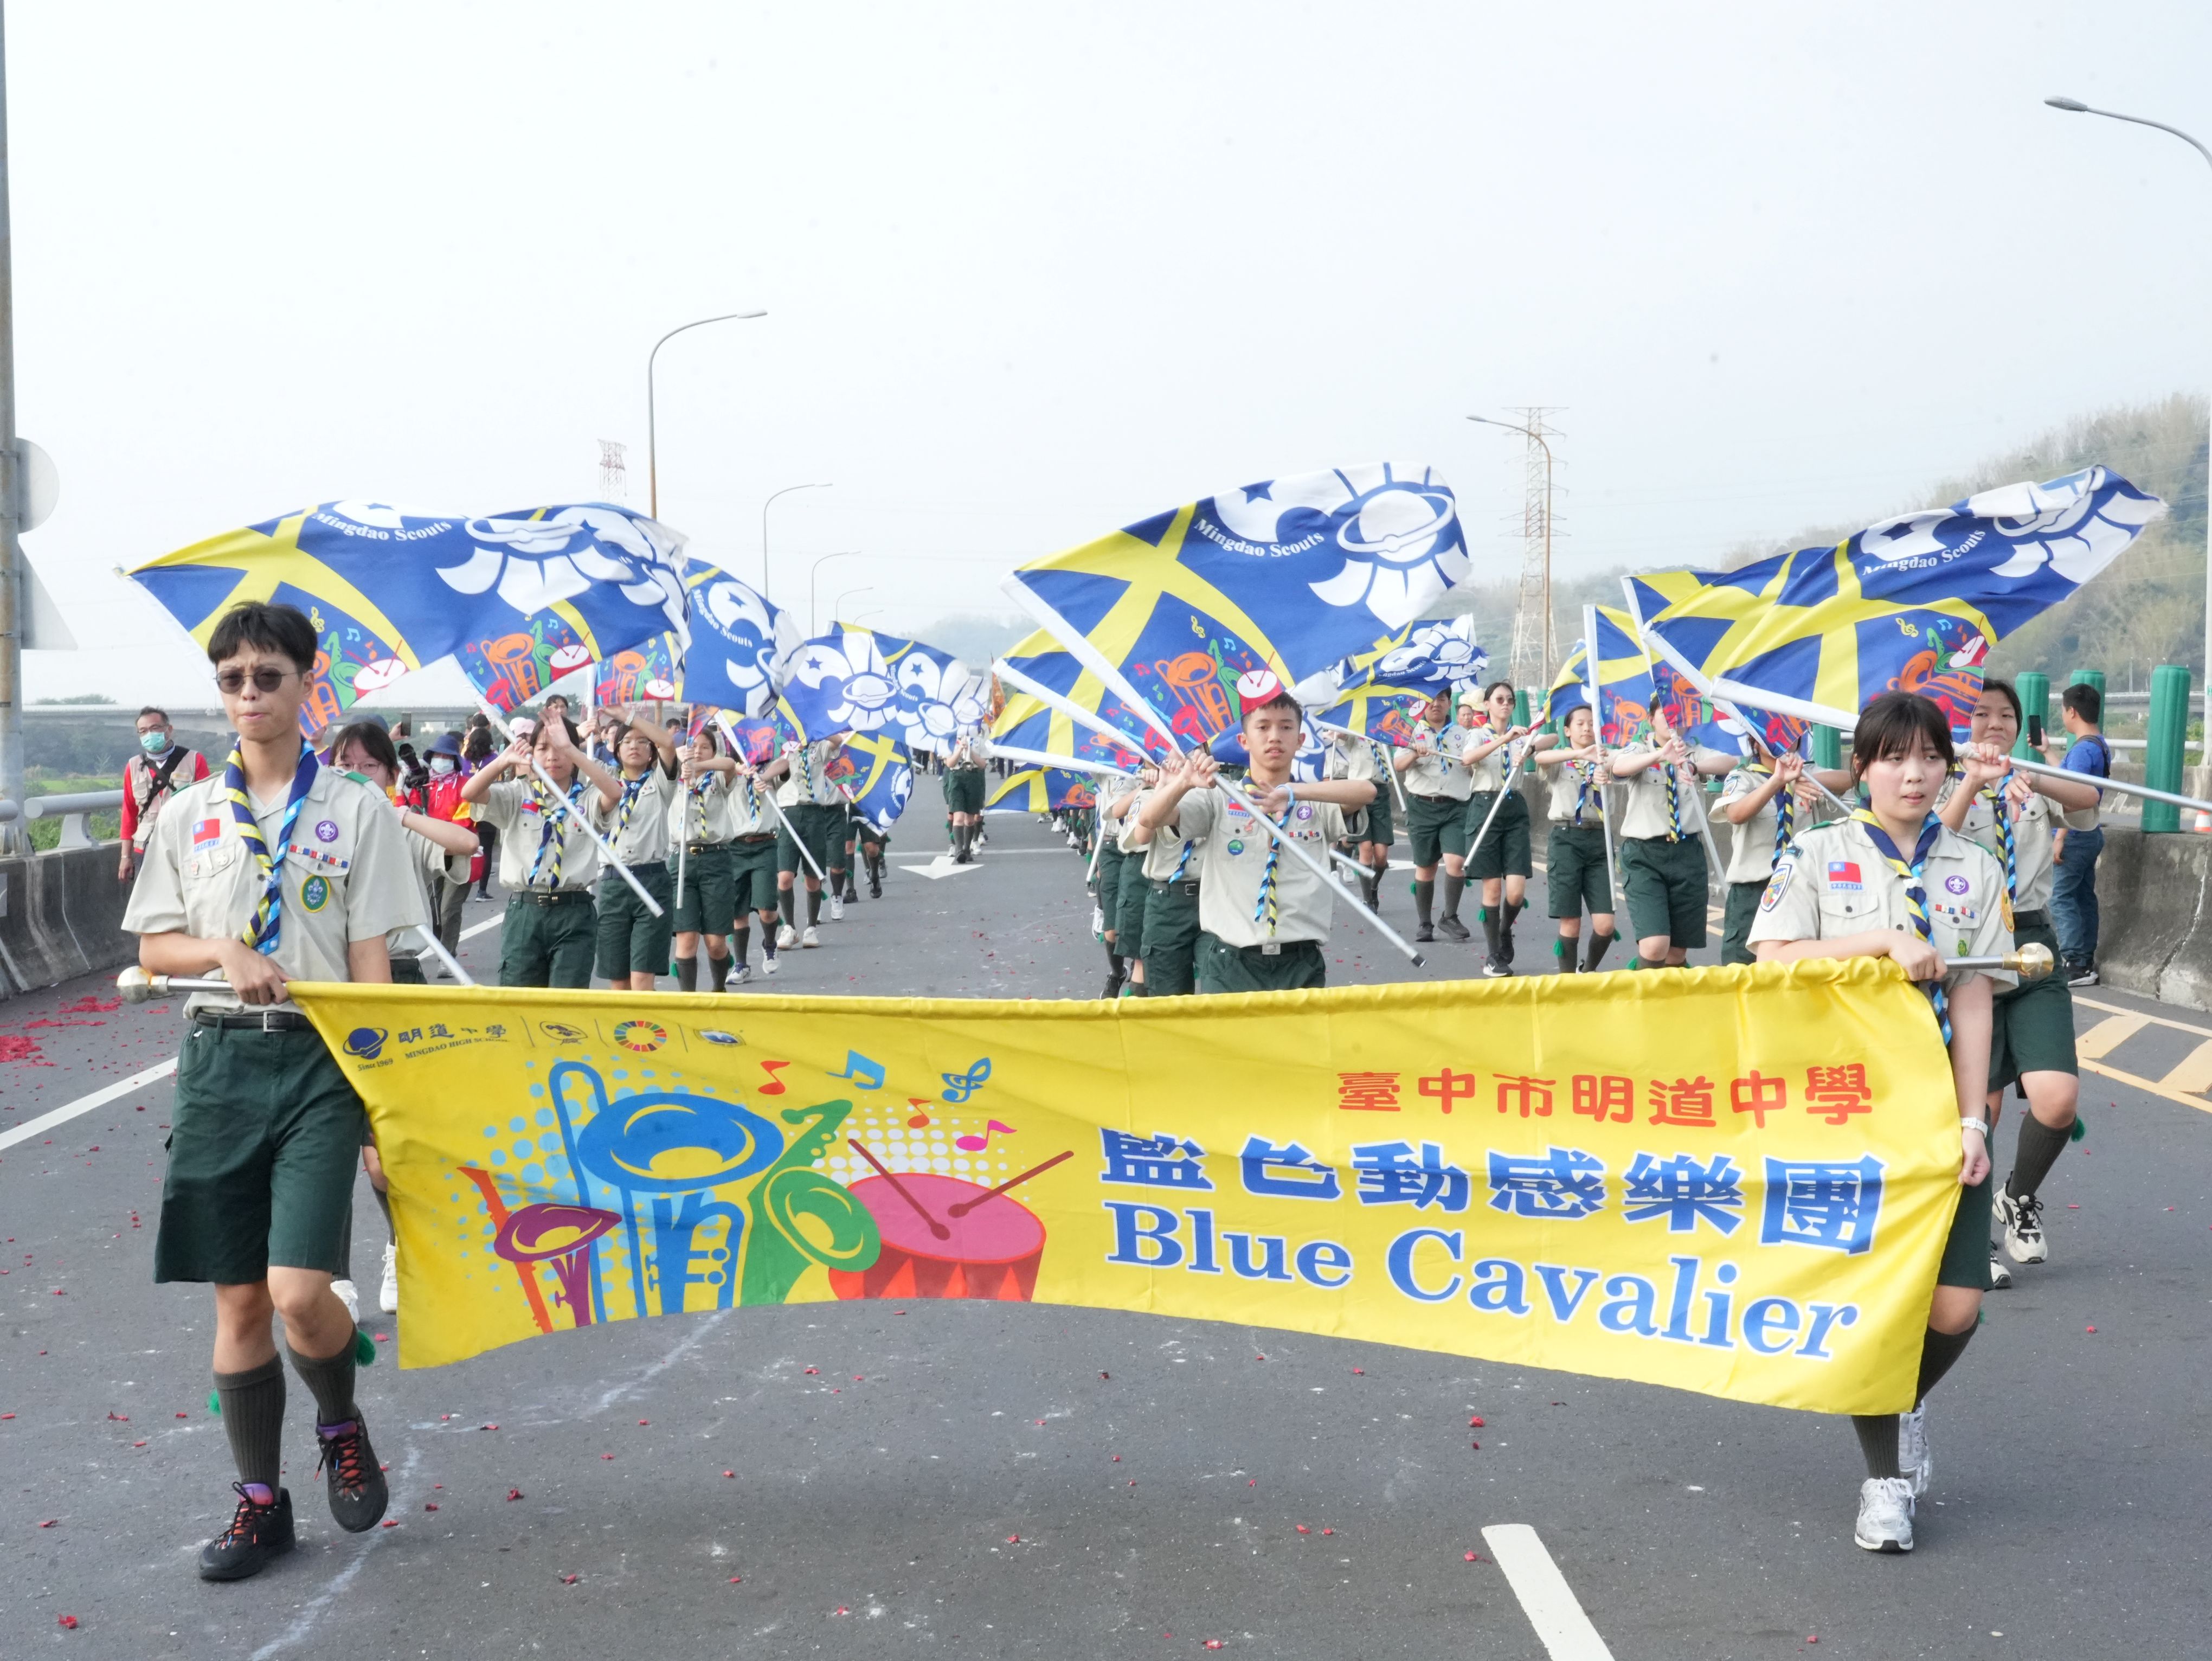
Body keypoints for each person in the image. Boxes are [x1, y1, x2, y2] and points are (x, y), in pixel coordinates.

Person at [121, 600, 425, 1580]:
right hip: (219, 1062)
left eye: (267, 675)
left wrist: (383, 1103)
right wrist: (222, 948)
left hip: (320, 1063)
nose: (248, 694)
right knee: (242, 1302)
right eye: (232, 679)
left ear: (306, 682)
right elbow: (154, 945)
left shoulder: (357, 808)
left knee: (300, 1292)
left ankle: (340, 1421)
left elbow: (372, 963)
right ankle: (261, 1503)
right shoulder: (187, 812)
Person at [1750, 690, 2012, 1556]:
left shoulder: (1974, 865)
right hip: (1846, 1107)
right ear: (1861, 767)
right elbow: (1774, 956)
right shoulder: (1817, 851)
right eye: (1895, 757)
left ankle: (1903, 1400)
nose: (1915, 773)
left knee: (1956, 1305)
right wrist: (1881, 941)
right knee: (1878, 1305)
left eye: (1932, 757)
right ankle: (1885, 1481)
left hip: (1936, 1104)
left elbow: (1974, 996)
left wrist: (1973, 1120)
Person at [1942, 680, 2103, 1285]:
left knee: (2057, 1098)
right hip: (1969, 955)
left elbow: (2088, 801)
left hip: (2033, 946)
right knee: (1977, 1113)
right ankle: (1971, 1237)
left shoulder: (2030, 780)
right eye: (1980, 713)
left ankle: (2018, 1197)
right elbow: (1930, 843)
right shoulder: (1939, 776)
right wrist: (1972, 781)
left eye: (2006, 715)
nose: (1994, 723)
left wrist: (2036, 777)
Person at [325, 720, 478, 1318]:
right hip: (333, 989)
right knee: (328, 1144)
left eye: (369, 766)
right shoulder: (317, 830)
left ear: (391, 773)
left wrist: (400, 814)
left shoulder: (398, 828)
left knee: (383, 1153)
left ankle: (398, 1247)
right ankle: (336, 1276)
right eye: (344, 765)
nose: (355, 776)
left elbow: (464, 844)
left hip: (398, 982)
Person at [1133, 672, 1376, 993]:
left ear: (1300, 740)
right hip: (1232, 963)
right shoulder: (1219, 798)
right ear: (1244, 741)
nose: (1275, 736)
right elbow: (1150, 819)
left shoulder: (1314, 802)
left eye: (1286, 727)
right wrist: (1183, 783)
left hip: (1300, 961)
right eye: (1263, 727)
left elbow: (1367, 791)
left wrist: (1293, 793)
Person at [460, 715, 622, 987]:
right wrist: (504, 760)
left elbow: (615, 793)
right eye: (543, 748)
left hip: (574, 911)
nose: (552, 756)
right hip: (526, 910)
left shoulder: (587, 797)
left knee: (566, 1000)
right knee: (520, 999)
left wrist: (572, 749)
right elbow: (470, 793)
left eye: (561, 748)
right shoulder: (518, 794)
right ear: (531, 753)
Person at [1609, 704, 1724, 969]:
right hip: (1645, 855)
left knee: (1676, 953)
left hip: (1687, 854)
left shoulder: (1694, 751)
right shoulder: (1640, 749)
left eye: (1679, 714)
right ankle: (1644, 992)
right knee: (1654, 945)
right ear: (1651, 719)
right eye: (1665, 713)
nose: (1673, 720)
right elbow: (1620, 766)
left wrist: (1694, 766)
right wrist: (1661, 755)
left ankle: (1667, 995)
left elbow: (1728, 762)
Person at [594, 707, 682, 991]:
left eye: (642, 741)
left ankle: (646, 1020)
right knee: (619, 982)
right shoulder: (606, 780)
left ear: (651, 751)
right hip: (614, 883)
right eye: (627, 741)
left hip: (652, 879)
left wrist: (628, 717)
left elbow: (668, 743)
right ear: (616, 749)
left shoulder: (660, 781)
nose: (634, 746)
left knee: (642, 979)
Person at [1531, 702, 1617, 973]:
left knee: (1605, 925)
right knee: (1571, 922)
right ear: (1567, 730)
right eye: (1580, 724)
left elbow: (1625, 766)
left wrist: (1605, 769)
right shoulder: (1562, 759)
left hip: (1600, 839)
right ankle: (1567, 982)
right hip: (1566, 838)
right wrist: (1581, 754)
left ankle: (1587, 970)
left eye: (1592, 723)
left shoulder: (1608, 756)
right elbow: (1540, 758)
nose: (1587, 728)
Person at [1462, 681, 1533, 975]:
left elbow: (1551, 739)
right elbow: (1468, 759)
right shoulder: (1478, 734)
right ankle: (1493, 956)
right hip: (1485, 807)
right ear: (1487, 704)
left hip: (1513, 808)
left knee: (1516, 892)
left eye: (1510, 700)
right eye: (1499, 699)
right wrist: (1504, 740)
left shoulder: (1522, 736)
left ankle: (1504, 929)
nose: (1505, 704)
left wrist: (1528, 748)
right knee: (1492, 888)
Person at [1714, 739, 1806, 966]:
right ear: (1755, 743)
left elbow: (1847, 779)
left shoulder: (1807, 775)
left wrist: (1801, 779)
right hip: (1753, 891)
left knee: (1795, 969)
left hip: (1799, 889)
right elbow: (1736, 814)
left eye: (1788, 734)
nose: (1781, 740)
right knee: (1741, 970)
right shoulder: (1743, 777)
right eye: (1771, 733)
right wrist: (1777, 782)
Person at [1392, 690, 1473, 945]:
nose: (1436, 704)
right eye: (1431, 700)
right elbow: (1398, 765)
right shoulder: (1412, 732)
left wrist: (1472, 763)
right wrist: (1415, 754)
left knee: (1456, 862)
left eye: (1441, 700)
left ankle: (1450, 916)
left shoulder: (1463, 734)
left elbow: (1475, 767)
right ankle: (1425, 923)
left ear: (1449, 704)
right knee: (1426, 867)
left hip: (1456, 807)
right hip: (1422, 806)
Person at [2047, 683, 2110, 986]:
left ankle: (2073, 962)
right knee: (2083, 897)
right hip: (2090, 832)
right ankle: (2085, 962)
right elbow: (2068, 779)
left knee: (2060, 897)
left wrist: (2059, 837)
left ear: (2071, 711)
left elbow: (2073, 797)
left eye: (2063, 710)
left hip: (2074, 832)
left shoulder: (2083, 750)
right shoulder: (2097, 744)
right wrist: (2047, 751)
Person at [668, 726, 740, 992]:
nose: (697, 751)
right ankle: (689, 1001)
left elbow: (730, 764)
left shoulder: (717, 778)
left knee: (715, 943)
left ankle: (719, 989)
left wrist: (697, 766)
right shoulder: (671, 777)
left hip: (715, 860)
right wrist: (681, 765)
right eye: (692, 746)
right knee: (686, 939)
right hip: (682, 861)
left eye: (704, 747)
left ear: (713, 751)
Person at [119, 706, 211, 882]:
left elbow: (207, 809)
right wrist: (126, 856)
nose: (149, 734)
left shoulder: (194, 760)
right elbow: (129, 813)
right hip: (146, 847)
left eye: (155, 728)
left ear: (169, 730)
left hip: (185, 847)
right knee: (147, 899)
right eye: (143, 731)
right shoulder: (134, 766)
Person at [773, 732, 847, 950]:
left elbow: (838, 742)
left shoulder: (818, 746)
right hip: (788, 814)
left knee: (812, 878)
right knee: (785, 877)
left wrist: (822, 728)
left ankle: (811, 928)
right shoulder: (781, 746)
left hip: (814, 814)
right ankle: (789, 927)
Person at [1327, 725, 1394, 910]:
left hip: (1381, 793)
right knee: (1365, 848)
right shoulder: (1357, 733)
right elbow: (1343, 736)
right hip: (1359, 791)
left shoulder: (1388, 733)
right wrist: (1337, 731)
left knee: (1381, 855)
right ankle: (1368, 900)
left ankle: (1373, 887)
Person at [1092, 766, 1143, 996]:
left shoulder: (1151, 766)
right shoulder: (1108, 764)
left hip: (1140, 847)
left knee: (1137, 920)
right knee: (1112, 931)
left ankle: (1138, 968)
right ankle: (1117, 973)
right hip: (1112, 845)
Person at [462, 725, 500, 899]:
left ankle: (461, 886)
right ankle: (482, 891)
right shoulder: (494, 760)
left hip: (464, 808)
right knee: (486, 850)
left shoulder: (464, 760)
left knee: (464, 848)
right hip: (486, 806)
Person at [945, 727, 990, 863]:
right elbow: (950, 763)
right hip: (957, 777)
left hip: (974, 778)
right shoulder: (950, 741)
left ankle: (967, 849)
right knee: (958, 817)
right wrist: (960, 749)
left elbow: (983, 765)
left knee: (970, 820)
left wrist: (971, 752)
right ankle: (959, 850)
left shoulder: (978, 741)